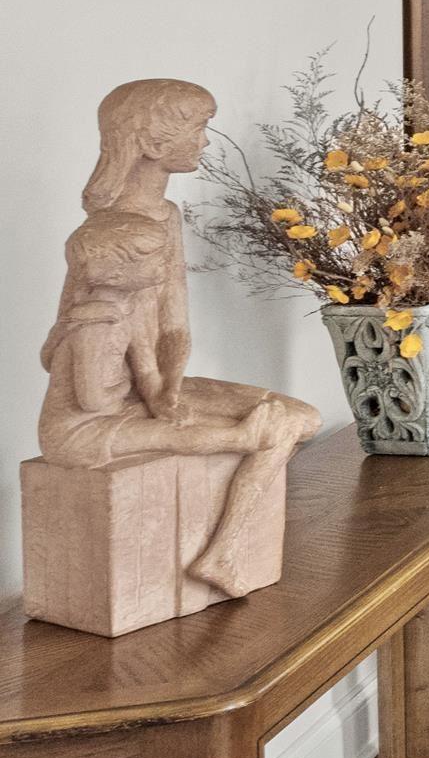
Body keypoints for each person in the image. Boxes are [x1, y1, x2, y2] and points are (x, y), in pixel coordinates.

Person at [38, 78, 321, 595]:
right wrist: (139, 381)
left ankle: (221, 553)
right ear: (152, 141)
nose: (206, 142)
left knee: (300, 419)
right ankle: (223, 554)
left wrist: (166, 387)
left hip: (151, 391)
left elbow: (173, 326)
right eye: (198, 128)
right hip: (104, 409)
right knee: (271, 430)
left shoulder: (165, 216)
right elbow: (66, 342)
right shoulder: (109, 233)